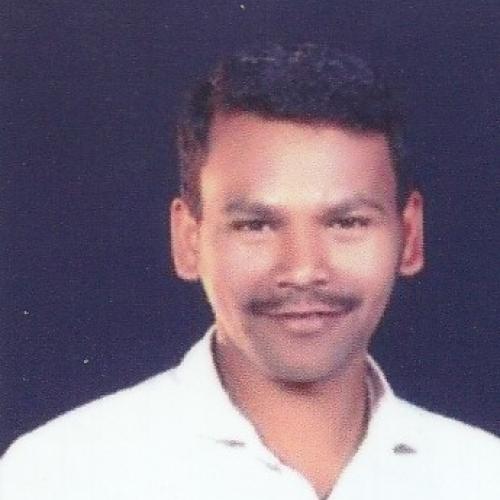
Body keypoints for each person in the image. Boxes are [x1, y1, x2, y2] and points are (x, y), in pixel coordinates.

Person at [1, 42, 498, 500]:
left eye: (346, 222)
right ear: (188, 241)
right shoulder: (60, 474)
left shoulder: (480, 475)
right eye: (255, 225)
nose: (303, 269)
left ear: (409, 237)